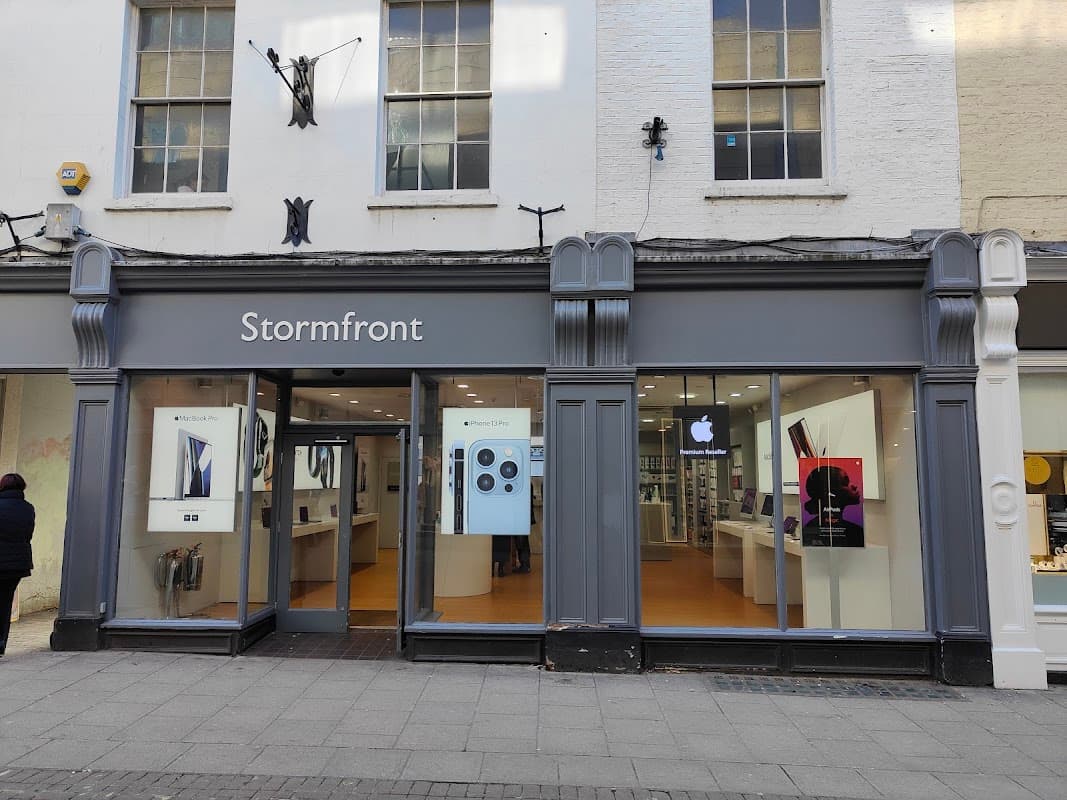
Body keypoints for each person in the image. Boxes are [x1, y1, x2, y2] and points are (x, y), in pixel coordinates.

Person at [0, 473, 34, 656]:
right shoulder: (28, 508)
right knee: (5, 603)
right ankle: (1, 641)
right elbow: (28, 534)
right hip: (17, 564)